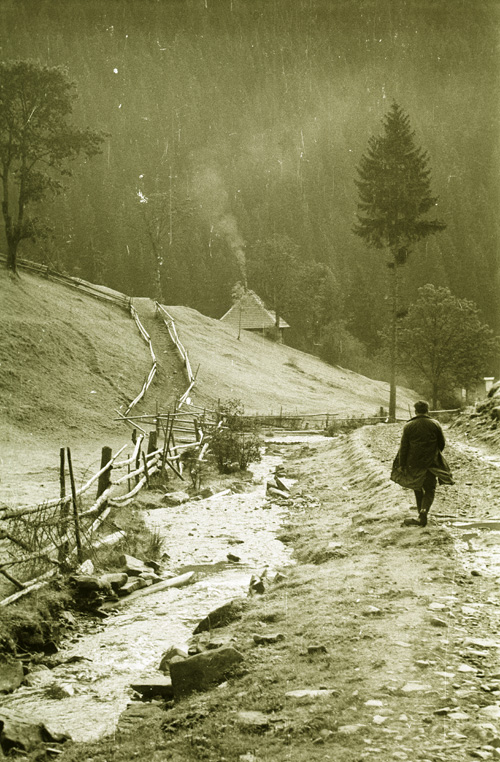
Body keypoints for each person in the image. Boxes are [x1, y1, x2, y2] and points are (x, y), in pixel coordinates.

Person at [391, 400, 454, 527]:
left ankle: (421, 515)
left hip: (413, 464)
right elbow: (441, 444)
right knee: (430, 489)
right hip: (431, 464)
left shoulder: (408, 426)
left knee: (417, 487)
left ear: (415, 411)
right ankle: (424, 513)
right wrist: (433, 454)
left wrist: (402, 464)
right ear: (427, 410)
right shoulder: (435, 424)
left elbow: (404, 447)